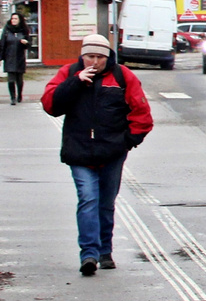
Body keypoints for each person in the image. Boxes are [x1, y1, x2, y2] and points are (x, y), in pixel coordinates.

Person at [41, 33, 153, 276]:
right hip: (79, 151)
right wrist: (75, 82)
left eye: (100, 57)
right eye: (90, 56)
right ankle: (89, 254)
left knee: (105, 203)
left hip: (111, 152)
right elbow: (51, 105)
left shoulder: (123, 76)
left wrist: (126, 142)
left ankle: (105, 251)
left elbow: (142, 114)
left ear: (107, 56)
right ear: (82, 56)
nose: (94, 62)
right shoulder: (69, 73)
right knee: (88, 199)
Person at [1, 12, 30, 105]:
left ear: (19, 20)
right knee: (10, 79)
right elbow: (2, 44)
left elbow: (29, 45)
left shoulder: (23, 30)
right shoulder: (7, 30)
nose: (13, 20)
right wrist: (0, 58)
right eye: (12, 18)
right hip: (9, 57)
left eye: (15, 19)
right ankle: (12, 97)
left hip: (19, 57)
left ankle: (19, 94)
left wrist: (26, 43)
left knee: (19, 80)